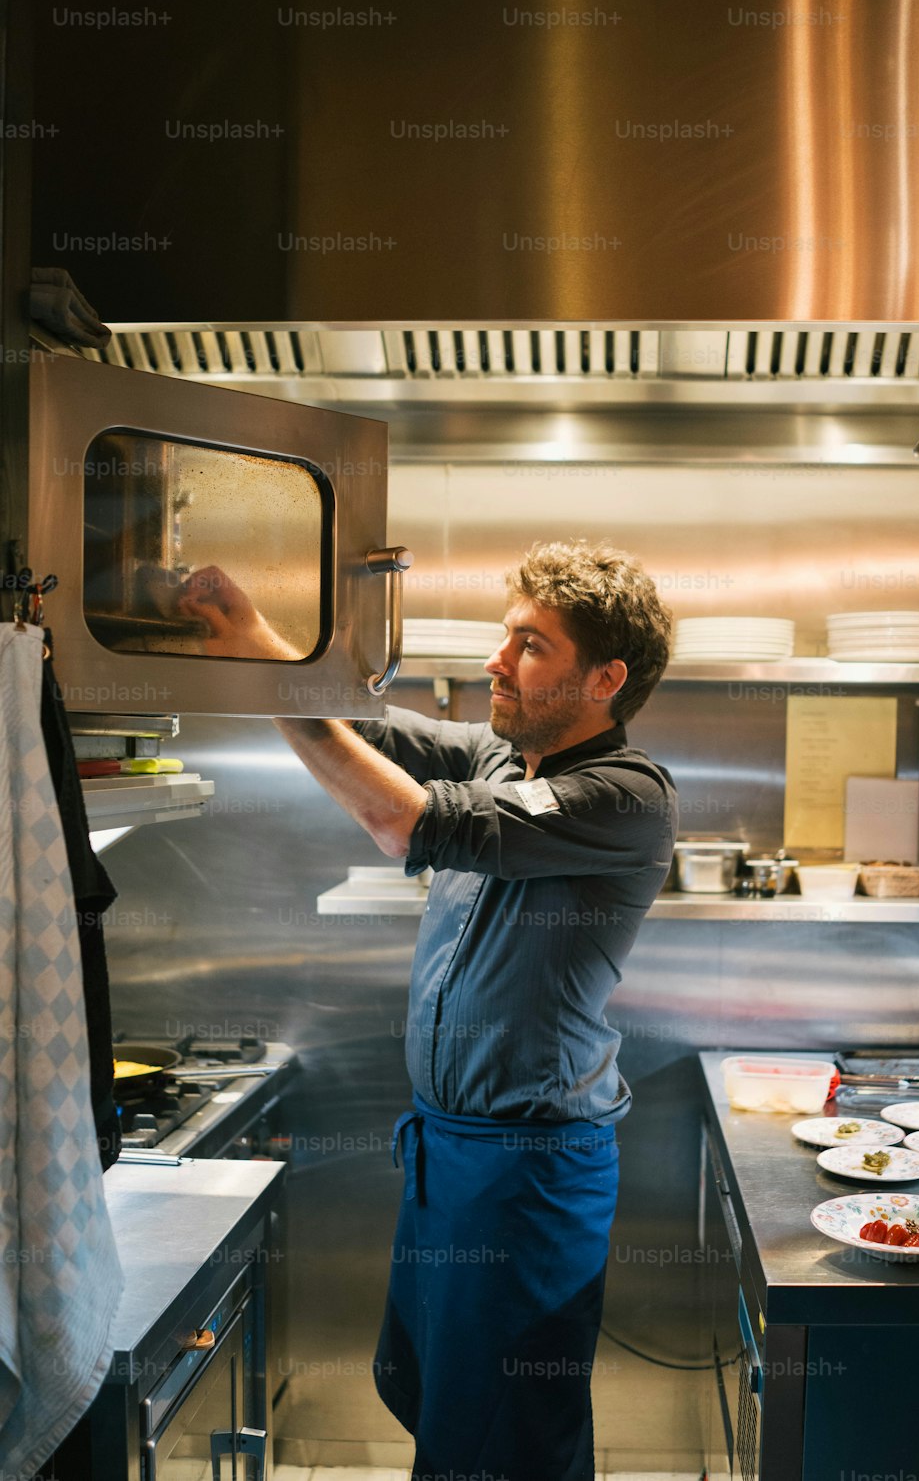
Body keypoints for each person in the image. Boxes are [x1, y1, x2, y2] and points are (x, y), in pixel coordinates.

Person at [178, 539, 677, 1481]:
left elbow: (401, 821)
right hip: (446, 1156)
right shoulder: (499, 754)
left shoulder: (626, 797)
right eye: (505, 637)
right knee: (434, 1393)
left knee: (505, 1434)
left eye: (530, 646)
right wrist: (252, 637)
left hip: (526, 1171)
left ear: (605, 678)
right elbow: (363, 717)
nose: (495, 661)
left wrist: (278, 687)